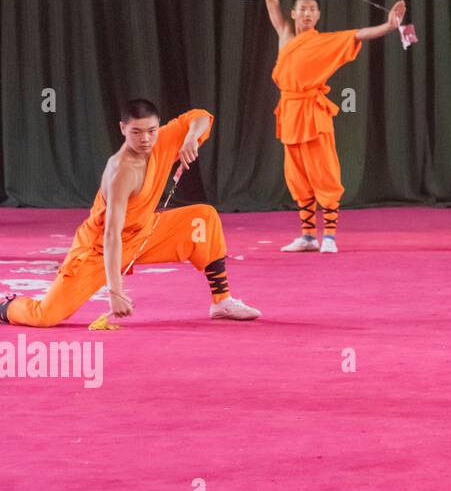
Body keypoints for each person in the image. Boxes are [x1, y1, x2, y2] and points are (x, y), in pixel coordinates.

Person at [0, 100, 259, 327]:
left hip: (146, 232)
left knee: (204, 217)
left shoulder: (161, 140)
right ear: (123, 129)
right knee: (46, 316)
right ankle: (6, 306)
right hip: (99, 251)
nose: (145, 139)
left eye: (151, 131)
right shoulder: (120, 171)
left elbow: (201, 115)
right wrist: (115, 291)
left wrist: (191, 136)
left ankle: (221, 302)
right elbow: (112, 235)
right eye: (136, 132)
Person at [264, 0, 407, 253]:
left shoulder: (325, 41)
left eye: (311, 9)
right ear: (293, 13)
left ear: (317, 16)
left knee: (324, 172)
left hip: (314, 115)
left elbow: (359, 35)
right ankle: (307, 236)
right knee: (297, 175)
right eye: (301, 8)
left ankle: (329, 235)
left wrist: (389, 25)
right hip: (289, 113)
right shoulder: (285, 34)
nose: (306, 13)